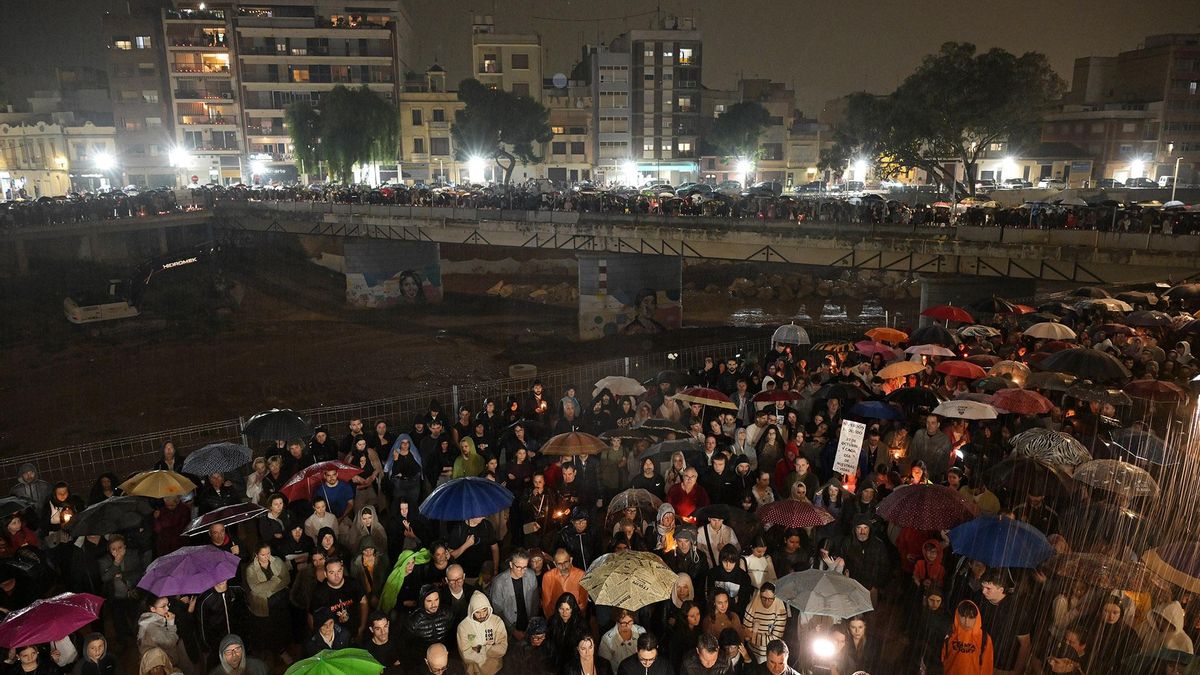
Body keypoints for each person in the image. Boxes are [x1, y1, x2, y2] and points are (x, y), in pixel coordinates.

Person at [244, 542, 291, 662]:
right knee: (267, 629)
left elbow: (286, 579)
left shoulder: (277, 561)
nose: (266, 557)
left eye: (268, 553)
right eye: (263, 554)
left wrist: (268, 588)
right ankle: (271, 653)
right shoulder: (250, 569)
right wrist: (275, 581)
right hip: (263, 604)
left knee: (281, 626)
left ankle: (282, 650)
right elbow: (255, 588)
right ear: (256, 554)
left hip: (280, 601)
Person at [978, 571, 1031, 675]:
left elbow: (1025, 643)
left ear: (1001, 590)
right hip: (983, 662)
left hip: (1004, 666)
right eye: (983, 587)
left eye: (988, 588)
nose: (983, 591)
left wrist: (1016, 672)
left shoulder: (1016, 611)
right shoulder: (980, 602)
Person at [309, 556, 368, 643]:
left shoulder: (353, 584)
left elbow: (364, 602)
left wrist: (362, 628)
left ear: (342, 569)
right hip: (333, 638)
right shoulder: (319, 592)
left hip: (355, 632)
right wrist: (320, 637)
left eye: (339, 571)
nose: (337, 576)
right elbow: (311, 615)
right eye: (332, 572)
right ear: (325, 574)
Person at [486, 549, 539, 639]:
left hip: (528, 625)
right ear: (511, 564)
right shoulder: (499, 582)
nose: (522, 571)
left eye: (525, 567)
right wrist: (513, 631)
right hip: (509, 629)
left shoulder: (531, 575)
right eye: (519, 567)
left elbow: (535, 601)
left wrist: (532, 624)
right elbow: (497, 610)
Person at [136, 595, 195, 674]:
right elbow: (170, 643)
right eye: (163, 606)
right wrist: (171, 623)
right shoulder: (152, 627)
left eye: (168, 604)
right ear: (153, 609)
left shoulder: (154, 619)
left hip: (165, 661)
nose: (167, 608)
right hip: (161, 665)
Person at [456, 591, 508, 675]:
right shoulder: (463, 627)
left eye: (484, 610)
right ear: (472, 610)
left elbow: (502, 648)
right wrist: (491, 648)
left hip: (496, 670)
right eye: (477, 612)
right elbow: (465, 655)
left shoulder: (496, 621)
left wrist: (481, 649)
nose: (482, 615)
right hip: (474, 671)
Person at [943, 599, 993, 675]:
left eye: (971, 617)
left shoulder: (984, 638)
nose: (966, 622)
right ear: (957, 616)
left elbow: (987, 666)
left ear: (977, 617)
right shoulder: (949, 633)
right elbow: (942, 658)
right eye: (963, 617)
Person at [742, 584, 787, 664]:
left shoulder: (780, 611)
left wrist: (753, 635)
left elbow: (776, 639)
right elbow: (745, 634)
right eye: (763, 598)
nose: (766, 602)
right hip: (752, 651)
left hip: (770, 655)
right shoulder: (752, 607)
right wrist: (753, 636)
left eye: (770, 599)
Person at [407, 584, 455, 656]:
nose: (433, 604)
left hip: (445, 655)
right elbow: (407, 646)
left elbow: (453, 638)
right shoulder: (414, 621)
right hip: (423, 657)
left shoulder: (448, 613)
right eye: (429, 601)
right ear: (422, 601)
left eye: (436, 600)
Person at [541, 548, 588, 618]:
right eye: (559, 564)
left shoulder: (581, 575)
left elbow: (583, 603)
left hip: (575, 617)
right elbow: (547, 604)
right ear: (554, 563)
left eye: (565, 562)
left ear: (571, 560)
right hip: (555, 618)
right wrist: (554, 620)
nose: (563, 567)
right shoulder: (548, 576)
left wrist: (574, 618)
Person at [547, 592, 589, 664]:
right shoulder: (552, 621)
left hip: (574, 662)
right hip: (554, 661)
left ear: (573, 609)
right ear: (557, 609)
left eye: (568, 609)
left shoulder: (581, 625)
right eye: (561, 609)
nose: (564, 613)